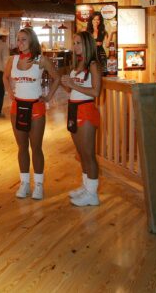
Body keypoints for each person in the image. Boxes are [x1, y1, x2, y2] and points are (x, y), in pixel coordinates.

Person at [3, 28, 60, 200]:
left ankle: (39, 184)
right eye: (18, 40)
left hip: (36, 108)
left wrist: (48, 97)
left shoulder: (40, 60)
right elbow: (5, 77)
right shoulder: (12, 60)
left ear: (32, 41)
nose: (19, 43)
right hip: (17, 108)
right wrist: (10, 94)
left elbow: (56, 77)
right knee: (21, 147)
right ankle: (25, 182)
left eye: (23, 40)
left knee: (36, 147)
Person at [61, 31, 103, 207]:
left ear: (87, 44)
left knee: (88, 154)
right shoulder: (78, 64)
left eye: (78, 43)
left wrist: (72, 84)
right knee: (81, 154)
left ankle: (92, 194)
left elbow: (96, 92)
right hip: (73, 109)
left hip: (86, 110)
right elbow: (73, 91)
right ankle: (86, 187)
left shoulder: (93, 65)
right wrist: (67, 86)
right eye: (74, 43)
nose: (75, 46)